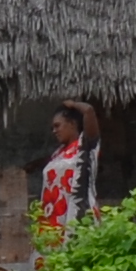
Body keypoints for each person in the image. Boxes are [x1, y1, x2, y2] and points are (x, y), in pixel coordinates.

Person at [36, 101, 98, 247]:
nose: (54, 131)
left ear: (72, 124)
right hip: (53, 218)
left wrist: (74, 104)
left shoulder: (86, 148)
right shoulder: (58, 153)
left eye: (57, 125)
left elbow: (89, 110)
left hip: (78, 215)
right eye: (52, 127)